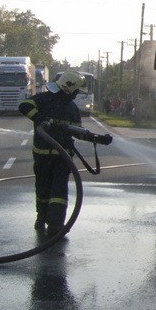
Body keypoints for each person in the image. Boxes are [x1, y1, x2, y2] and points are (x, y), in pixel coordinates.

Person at [18, 71, 108, 235]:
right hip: (44, 154)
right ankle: (43, 218)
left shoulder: (72, 108)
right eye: (76, 91)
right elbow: (24, 106)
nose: (76, 94)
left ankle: (55, 225)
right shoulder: (43, 99)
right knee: (44, 189)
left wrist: (98, 138)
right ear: (69, 89)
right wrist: (40, 118)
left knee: (58, 191)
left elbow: (77, 131)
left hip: (62, 156)